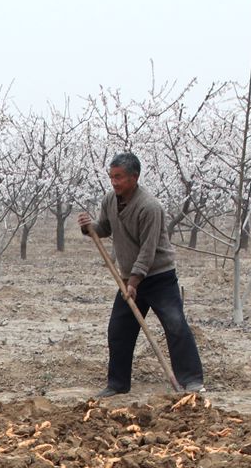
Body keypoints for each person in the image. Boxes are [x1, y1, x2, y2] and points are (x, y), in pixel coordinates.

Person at [77, 151, 204, 398]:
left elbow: (148, 250)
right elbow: (103, 228)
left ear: (134, 178)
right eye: (111, 176)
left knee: (175, 324)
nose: (114, 182)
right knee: (118, 330)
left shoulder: (150, 207)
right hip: (128, 277)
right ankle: (117, 383)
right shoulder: (109, 201)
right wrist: (88, 227)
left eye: (119, 177)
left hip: (158, 276)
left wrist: (134, 281)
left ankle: (191, 380)